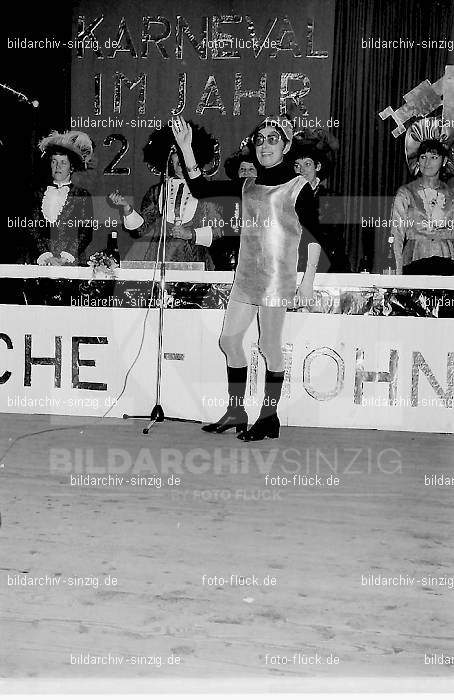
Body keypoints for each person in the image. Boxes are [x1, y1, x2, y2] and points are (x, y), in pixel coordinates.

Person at [172, 114, 324, 441]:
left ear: (285, 145)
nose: (264, 145)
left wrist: (308, 279)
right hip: (245, 278)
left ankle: (269, 417)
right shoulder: (248, 185)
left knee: (269, 346)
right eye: (259, 140)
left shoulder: (299, 187)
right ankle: (237, 410)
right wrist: (186, 149)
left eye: (272, 139)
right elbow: (199, 188)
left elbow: (313, 237)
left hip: (275, 280)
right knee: (229, 341)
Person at [109, 123, 223, 269]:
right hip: (159, 261)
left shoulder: (207, 192)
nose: (180, 159)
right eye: (176, 152)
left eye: (184, 152)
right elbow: (141, 229)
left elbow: (218, 231)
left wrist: (190, 234)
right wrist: (127, 208)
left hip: (194, 263)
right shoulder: (157, 191)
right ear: (170, 159)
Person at [391, 118, 454, 275]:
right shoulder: (405, 193)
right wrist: (396, 275)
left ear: (444, 161)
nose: (427, 162)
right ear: (417, 160)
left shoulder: (452, 195)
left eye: (434, 157)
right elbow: (396, 234)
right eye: (423, 157)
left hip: (447, 263)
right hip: (414, 262)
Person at [27, 131, 94, 265]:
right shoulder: (38, 193)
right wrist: (45, 256)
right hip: (41, 260)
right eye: (54, 162)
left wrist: (65, 258)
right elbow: (31, 227)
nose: (58, 167)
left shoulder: (82, 194)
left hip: (70, 260)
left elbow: (85, 232)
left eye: (63, 163)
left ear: (71, 167)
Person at [291, 138, 351, 273]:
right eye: (297, 166)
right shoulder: (286, 196)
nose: (301, 170)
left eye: (307, 164)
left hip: (324, 265)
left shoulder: (330, 197)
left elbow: (333, 238)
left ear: (317, 167)